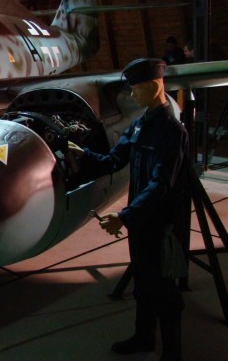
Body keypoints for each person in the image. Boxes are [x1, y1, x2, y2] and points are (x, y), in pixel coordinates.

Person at [68, 58, 189, 361]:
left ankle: (173, 354)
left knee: (165, 292)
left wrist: (124, 217)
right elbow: (114, 160)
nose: (132, 95)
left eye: (136, 89)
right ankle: (144, 338)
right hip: (141, 222)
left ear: (152, 86)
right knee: (144, 285)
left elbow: (160, 186)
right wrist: (83, 154)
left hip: (161, 225)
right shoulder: (140, 124)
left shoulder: (172, 132)